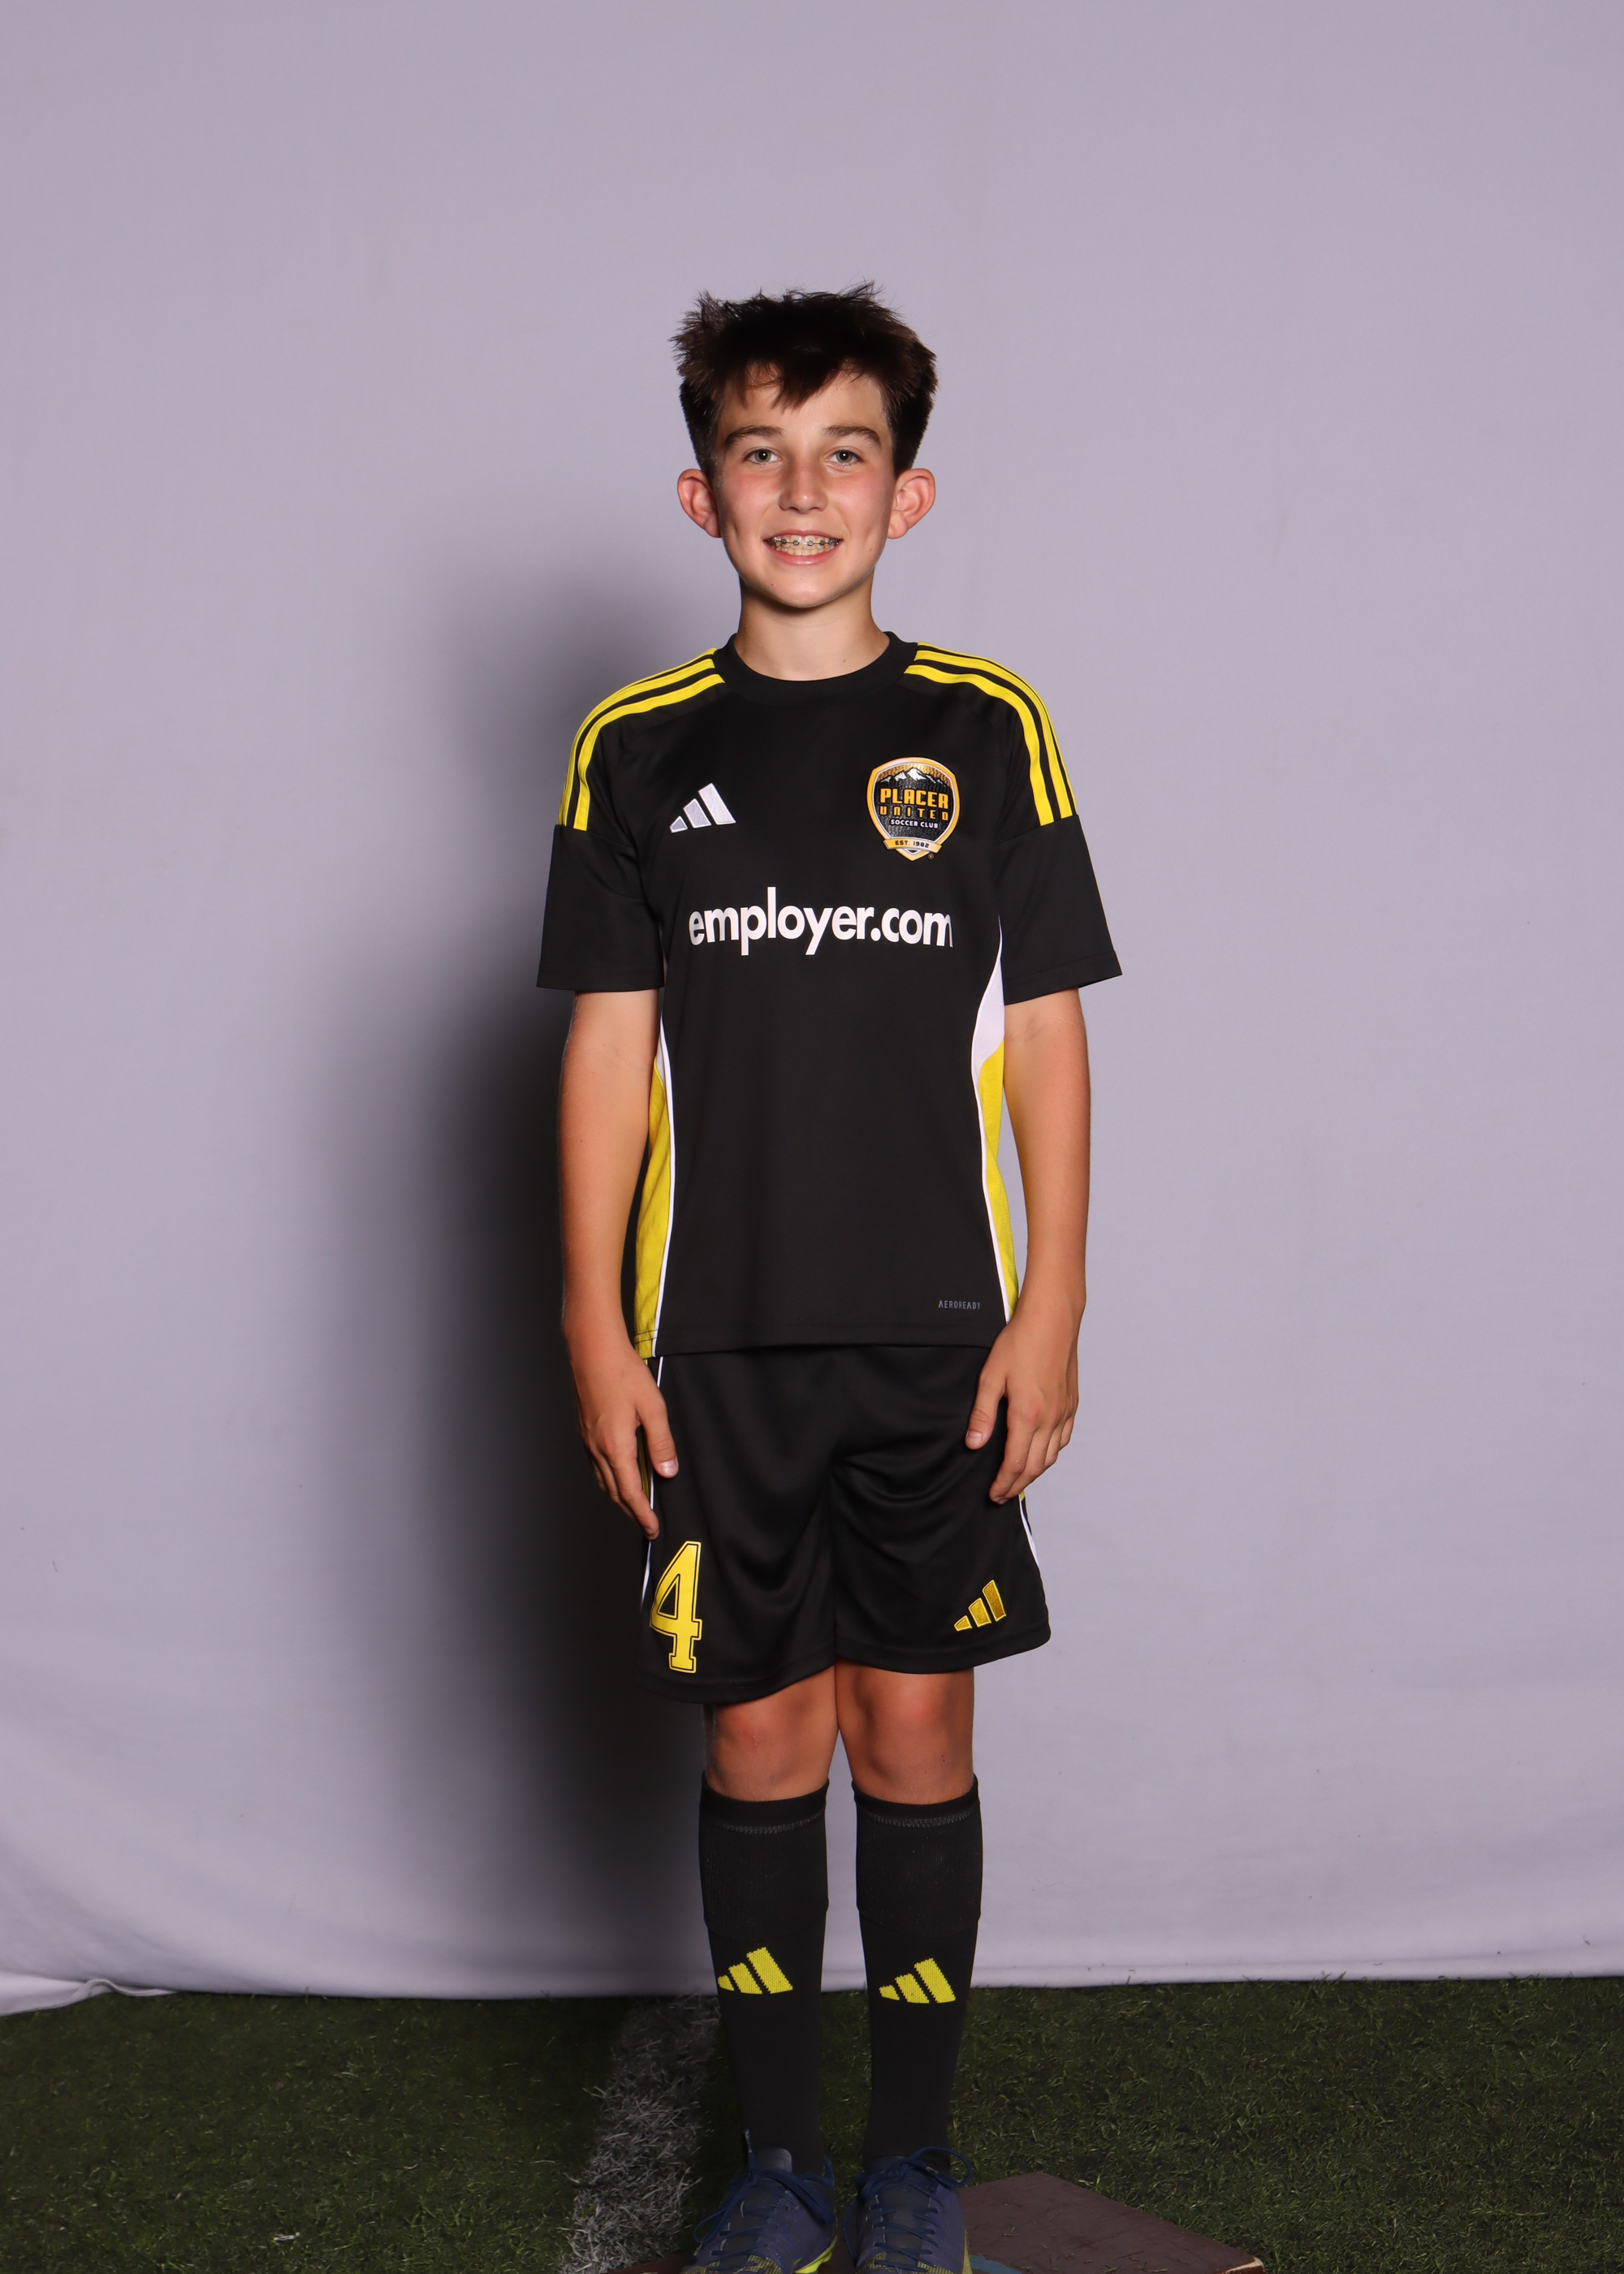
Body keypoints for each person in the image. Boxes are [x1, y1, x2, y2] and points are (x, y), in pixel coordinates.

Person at [537, 285, 1119, 2274]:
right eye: (760, 454)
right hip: (712, 1348)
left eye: (843, 452)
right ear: (699, 494)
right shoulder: (634, 748)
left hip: (940, 1340)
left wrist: (1051, 1303)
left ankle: (913, 2164)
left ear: (907, 492)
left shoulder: (986, 727)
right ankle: (782, 2166)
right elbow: (606, 1046)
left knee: (917, 1741)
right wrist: (592, 1319)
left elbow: (1048, 1037)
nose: (803, 491)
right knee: (759, 1744)